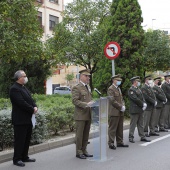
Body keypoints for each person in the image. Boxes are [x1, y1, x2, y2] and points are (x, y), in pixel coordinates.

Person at [10, 70, 37, 167]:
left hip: (28, 118)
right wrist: (32, 109)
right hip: (20, 120)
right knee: (20, 140)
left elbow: (30, 99)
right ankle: (17, 159)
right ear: (18, 78)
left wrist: (35, 106)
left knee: (26, 139)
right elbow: (21, 102)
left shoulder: (23, 87)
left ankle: (24, 156)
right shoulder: (14, 89)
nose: (26, 78)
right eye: (24, 76)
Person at [72, 69, 93, 159]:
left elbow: (88, 99)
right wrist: (86, 105)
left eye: (89, 76)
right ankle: (78, 152)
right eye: (86, 76)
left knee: (86, 134)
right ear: (81, 76)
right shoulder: (77, 87)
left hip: (88, 114)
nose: (88, 78)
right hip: (80, 115)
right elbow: (75, 100)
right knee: (80, 135)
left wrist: (93, 103)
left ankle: (84, 150)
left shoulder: (87, 87)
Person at [107, 75, 129, 150]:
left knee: (120, 128)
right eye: (117, 80)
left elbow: (121, 99)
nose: (119, 81)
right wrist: (120, 107)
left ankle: (120, 142)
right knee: (112, 128)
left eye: (120, 80)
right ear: (113, 80)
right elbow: (112, 101)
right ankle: (111, 143)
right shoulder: (111, 89)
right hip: (114, 111)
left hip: (120, 111)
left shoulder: (118, 89)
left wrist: (123, 105)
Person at [128, 76, 151, 143]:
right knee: (133, 124)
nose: (139, 82)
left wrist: (144, 103)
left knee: (141, 124)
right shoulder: (131, 90)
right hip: (135, 109)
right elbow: (135, 99)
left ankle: (142, 136)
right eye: (137, 81)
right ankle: (131, 137)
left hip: (140, 109)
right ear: (134, 82)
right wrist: (142, 104)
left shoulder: (138, 89)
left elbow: (142, 97)